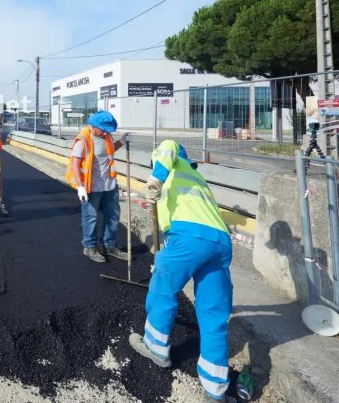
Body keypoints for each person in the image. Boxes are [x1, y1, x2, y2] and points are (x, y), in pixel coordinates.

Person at [129, 140, 233, 401]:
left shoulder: (170, 166)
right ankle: (215, 387)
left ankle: (155, 347)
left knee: (162, 291)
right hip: (219, 243)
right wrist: (166, 253)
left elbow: (169, 145)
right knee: (214, 313)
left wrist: (155, 178)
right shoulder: (195, 177)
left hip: (188, 238)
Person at [65, 110, 130, 263]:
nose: (105, 133)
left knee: (113, 217)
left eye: (107, 130)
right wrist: (80, 187)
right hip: (91, 186)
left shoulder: (106, 136)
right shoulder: (83, 140)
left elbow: (109, 151)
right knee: (91, 217)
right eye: (103, 129)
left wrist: (122, 140)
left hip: (109, 184)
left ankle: (110, 246)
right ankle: (90, 246)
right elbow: (75, 165)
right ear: (93, 126)